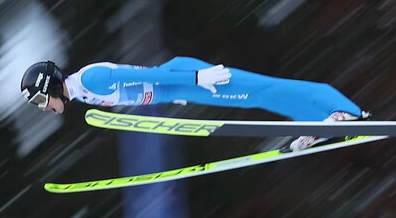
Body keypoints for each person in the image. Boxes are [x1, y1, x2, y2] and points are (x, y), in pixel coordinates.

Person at [20, 56, 371, 151]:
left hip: (185, 77)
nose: (43, 107)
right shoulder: (81, 94)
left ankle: (346, 113)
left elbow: (150, 75)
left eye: (39, 99)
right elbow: (140, 86)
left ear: (50, 85)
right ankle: (321, 123)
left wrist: (195, 79)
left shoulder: (89, 80)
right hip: (180, 85)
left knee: (264, 90)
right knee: (260, 97)